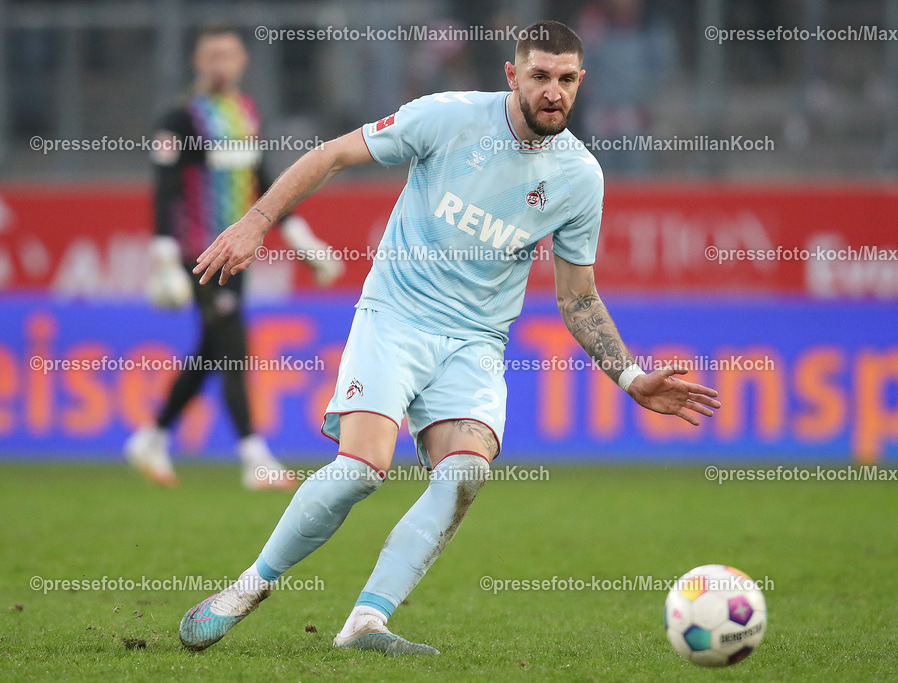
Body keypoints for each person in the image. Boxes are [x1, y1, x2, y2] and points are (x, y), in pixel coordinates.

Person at [178, 20, 720, 654]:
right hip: (396, 316)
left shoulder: (580, 176)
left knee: (464, 474)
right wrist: (257, 221)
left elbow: (577, 296)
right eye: (540, 76)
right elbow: (332, 155)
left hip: (476, 341)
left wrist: (631, 376)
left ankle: (366, 623)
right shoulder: (448, 117)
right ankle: (245, 590)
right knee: (361, 471)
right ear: (512, 75)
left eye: (567, 79)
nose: (553, 92)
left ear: (581, 81)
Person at [124, 26, 341, 490]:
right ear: (198, 62)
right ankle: (254, 456)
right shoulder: (180, 120)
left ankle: (152, 437)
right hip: (199, 254)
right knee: (233, 346)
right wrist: (165, 258)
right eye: (212, 55)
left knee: (212, 348)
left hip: (238, 253)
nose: (220, 63)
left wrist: (300, 236)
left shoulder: (245, 114)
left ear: (242, 61)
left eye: (228, 54)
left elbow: (263, 181)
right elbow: (164, 190)